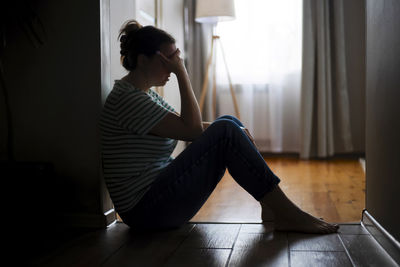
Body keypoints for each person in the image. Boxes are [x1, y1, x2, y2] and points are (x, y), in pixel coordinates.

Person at [100, 20, 339, 234]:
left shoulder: (143, 95)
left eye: (176, 60)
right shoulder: (128, 99)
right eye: (168, 61)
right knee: (225, 129)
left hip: (155, 200)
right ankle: (288, 213)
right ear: (143, 60)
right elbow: (191, 130)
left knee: (228, 123)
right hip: (146, 212)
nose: (172, 68)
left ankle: (272, 207)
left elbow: (188, 126)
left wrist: (235, 129)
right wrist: (182, 72)